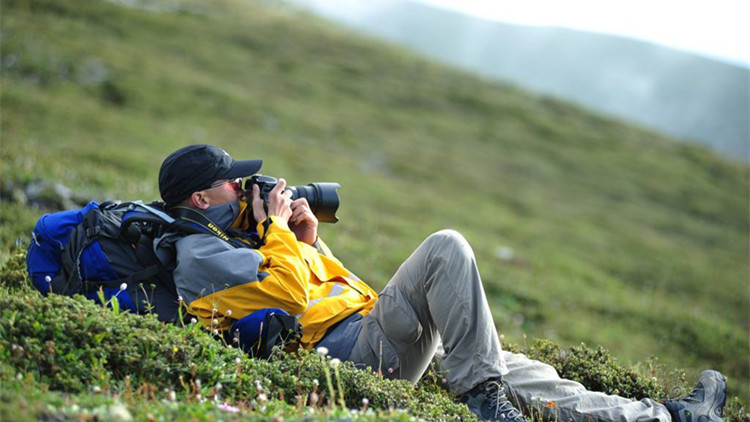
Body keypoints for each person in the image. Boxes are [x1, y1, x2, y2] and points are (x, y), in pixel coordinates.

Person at [155, 144, 728, 422]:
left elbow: (309, 288)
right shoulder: (198, 252)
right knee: (446, 247)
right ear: (201, 198)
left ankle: (673, 417)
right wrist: (279, 229)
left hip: (367, 335)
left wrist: (306, 241)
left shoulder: (250, 235)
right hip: (352, 357)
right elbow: (286, 297)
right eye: (233, 183)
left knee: (528, 376)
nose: (246, 186)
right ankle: (485, 402)